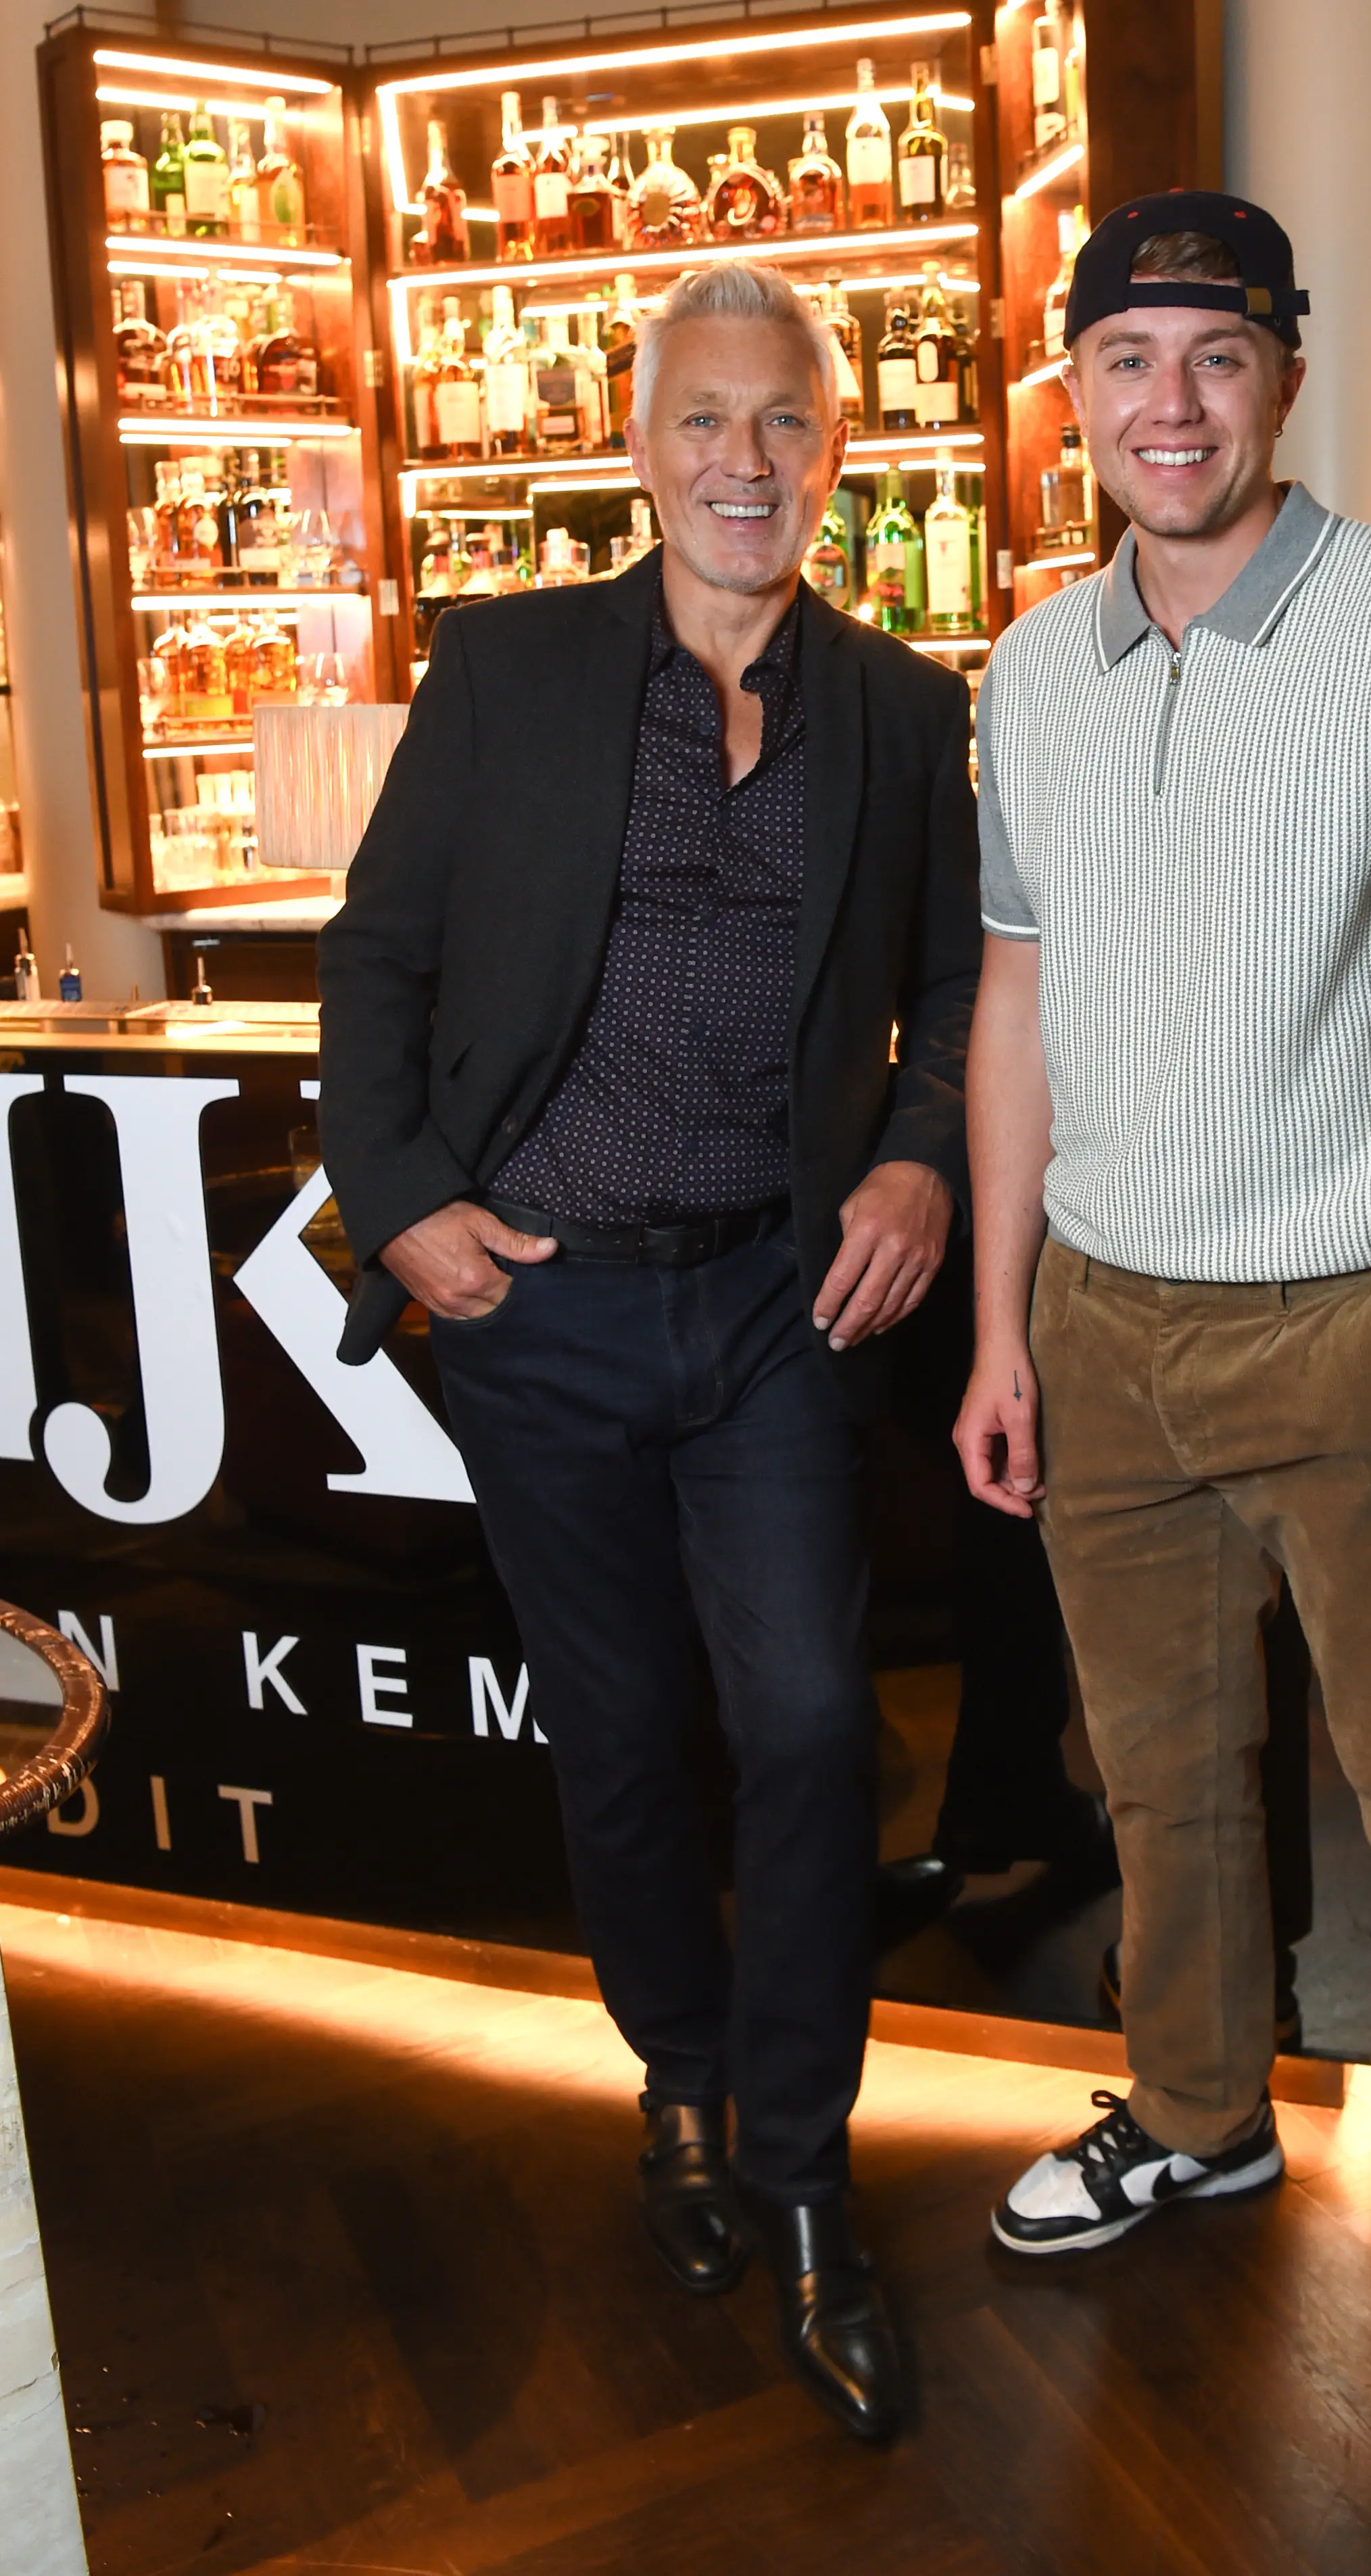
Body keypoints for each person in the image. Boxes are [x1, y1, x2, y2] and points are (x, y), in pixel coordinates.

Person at [954, 192, 1371, 2502]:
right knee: (1159, 1780)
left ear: (1284, 379)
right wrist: (1008, 1327)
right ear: (1076, 392)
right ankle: (1203, 2116)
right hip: (1104, 1320)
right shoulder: (1030, 670)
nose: (1169, 405)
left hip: (1350, 1316)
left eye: (1213, 358)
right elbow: (1019, 1008)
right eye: (1125, 358)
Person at [317, 260, 981, 2446]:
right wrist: (403, 1198)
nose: (742, 463)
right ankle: (678, 2092)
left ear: (839, 454)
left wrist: (914, 1168)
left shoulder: (900, 709)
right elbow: (380, 958)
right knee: (619, 1740)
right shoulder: (507, 670)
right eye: (703, 421)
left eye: (782, 425)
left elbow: (962, 1000)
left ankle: (803, 2173)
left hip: (784, 1304)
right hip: (545, 1310)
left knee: (802, 1728)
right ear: (639, 448)